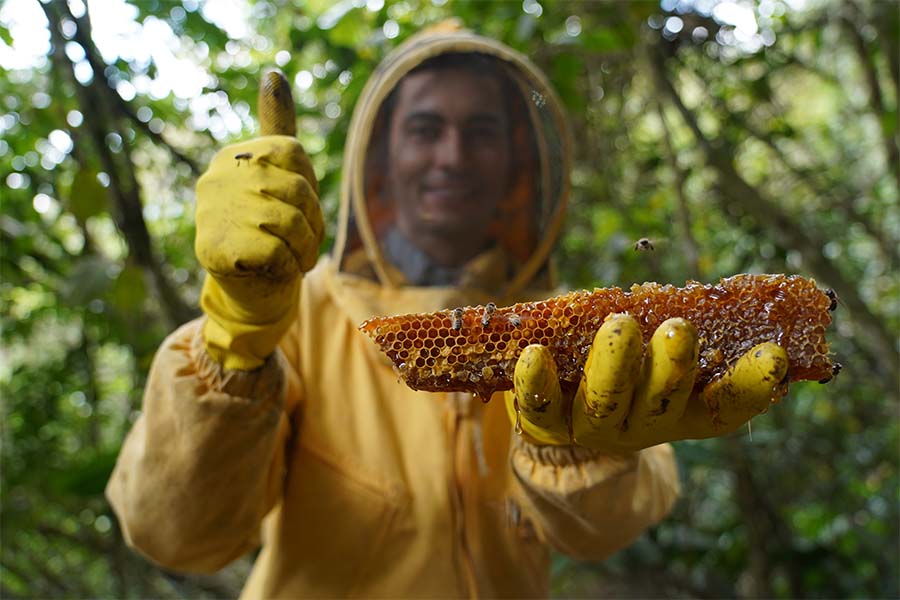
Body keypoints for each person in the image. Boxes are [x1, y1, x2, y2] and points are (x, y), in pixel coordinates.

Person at [106, 22, 788, 598]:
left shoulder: (565, 327)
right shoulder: (299, 314)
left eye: (481, 132)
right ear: (382, 157)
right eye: (426, 129)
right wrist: (234, 337)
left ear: (514, 163)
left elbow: (605, 530)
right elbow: (177, 535)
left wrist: (580, 446)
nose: (452, 157)